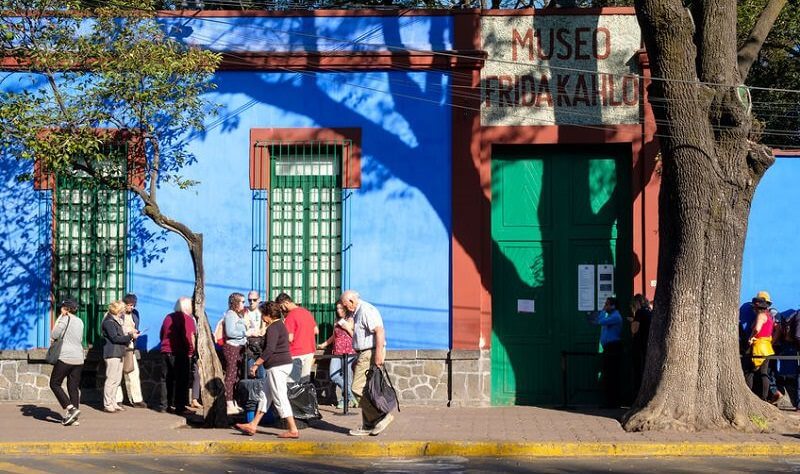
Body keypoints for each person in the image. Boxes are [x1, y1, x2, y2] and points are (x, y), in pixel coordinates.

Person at [234, 301, 300, 439]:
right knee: (265, 396)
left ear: (269, 315)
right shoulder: (279, 325)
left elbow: (270, 349)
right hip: (279, 365)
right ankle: (253, 425)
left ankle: (293, 429)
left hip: (277, 366)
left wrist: (256, 364)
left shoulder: (273, 328)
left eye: (263, 314)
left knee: (279, 396)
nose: (263, 317)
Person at [340, 290, 394, 436]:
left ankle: (380, 416)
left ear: (352, 301)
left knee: (357, 388)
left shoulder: (365, 310)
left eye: (345, 305)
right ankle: (368, 425)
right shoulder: (358, 312)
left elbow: (380, 331)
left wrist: (377, 354)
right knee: (367, 390)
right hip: (363, 353)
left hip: (369, 352)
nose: (345, 308)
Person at [156, 297, 196, 414]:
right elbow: (189, 337)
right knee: (181, 380)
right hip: (179, 353)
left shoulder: (168, 317)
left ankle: (164, 405)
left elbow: (162, 333)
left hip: (165, 351)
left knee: (165, 379)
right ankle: (180, 407)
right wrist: (190, 351)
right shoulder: (187, 319)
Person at [48, 298, 85, 426]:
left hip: (66, 357)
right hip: (79, 358)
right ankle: (73, 417)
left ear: (66, 309)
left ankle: (71, 408)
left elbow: (54, 334)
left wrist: (60, 317)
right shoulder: (80, 321)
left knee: (54, 383)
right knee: (73, 387)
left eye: (62, 307)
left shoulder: (64, 319)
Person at [317, 302, 357, 409]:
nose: (339, 310)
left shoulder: (351, 318)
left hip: (349, 351)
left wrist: (347, 327)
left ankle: (346, 400)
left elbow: (355, 336)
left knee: (347, 376)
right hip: (336, 351)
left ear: (345, 308)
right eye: (337, 308)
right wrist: (324, 344)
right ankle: (351, 396)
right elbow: (334, 336)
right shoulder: (336, 320)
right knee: (333, 375)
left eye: (341, 308)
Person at [101, 300, 138, 413]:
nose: (123, 312)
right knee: (111, 379)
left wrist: (129, 335)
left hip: (119, 352)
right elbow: (114, 338)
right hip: (112, 353)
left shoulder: (116, 321)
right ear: (117, 310)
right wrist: (130, 337)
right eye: (122, 310)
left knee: (117, 379)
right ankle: (107, 404)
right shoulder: (109, 322)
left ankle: (113, 402)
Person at [276, 293, 318, 383]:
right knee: (305, 381)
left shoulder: (290, 316)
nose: (281, 309)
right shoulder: (306, 312)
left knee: (291, 381)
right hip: (310, 350)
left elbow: (289, 338)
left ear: (286, 303)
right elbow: (316, 330)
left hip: (296, 352)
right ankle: (304, 397)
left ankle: (292, 397)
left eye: (281, 306)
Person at [591, 296, 623, 409]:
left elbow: (600, 321)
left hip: (613, 347)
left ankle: (613, 402)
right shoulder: (610, 316)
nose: (606, 306)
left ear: (613, 306)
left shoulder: (615, 317)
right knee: (608, 374)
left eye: (608, 304)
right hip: (608, 347)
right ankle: (609, 401)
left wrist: (603, 310)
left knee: (611, 375)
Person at [115, 294, 147, 408]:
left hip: (131, 346)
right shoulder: (119, 314)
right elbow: (116, 329)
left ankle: (136, 399)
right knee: (118, 373)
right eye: (129, 305)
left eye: (133, 305)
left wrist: (136, 333)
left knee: (133, 372)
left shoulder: (135, 314)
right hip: (119, 346)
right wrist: (129, 332)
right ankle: (118, 399)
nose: (131, 307)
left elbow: (135, 325)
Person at [223, 292, 248, 415]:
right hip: (232, 347)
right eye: (242, 301)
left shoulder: (239, 315)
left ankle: (234, 402)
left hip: (240, 346)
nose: (244, 304)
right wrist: (245, 333)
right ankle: (228, 402)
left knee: (237, 375)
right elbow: (230, 332)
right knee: (231, 375)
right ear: (235, 302)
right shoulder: (231, 315)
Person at [746, 295, 775, 400]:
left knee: (750, 372)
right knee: (764, 372)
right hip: (767, 346)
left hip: (759, 347)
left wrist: (751, 337)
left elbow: (757, 329)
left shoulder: (760, 316)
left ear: (756, 307)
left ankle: (749, 396)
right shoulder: (769, 316)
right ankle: (764, 397)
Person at [628, 294, 652, 396]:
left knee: (638, 372)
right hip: (648, 346)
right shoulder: (650, 311)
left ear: (636, 303)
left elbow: (634, 329)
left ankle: (637, 395)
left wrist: (632, 321)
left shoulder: (639, 312)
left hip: (639, 346)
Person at [245, 290, 266, 379]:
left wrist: (262, 331)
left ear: (259, 299)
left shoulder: (262, 311)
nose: (251, 302)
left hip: (261, 345)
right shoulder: (245, 312)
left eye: (254, 300)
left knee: (262, 374)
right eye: (249, 300)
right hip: (250, 346)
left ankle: (262, 392)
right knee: (250, 373)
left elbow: (265, 327)